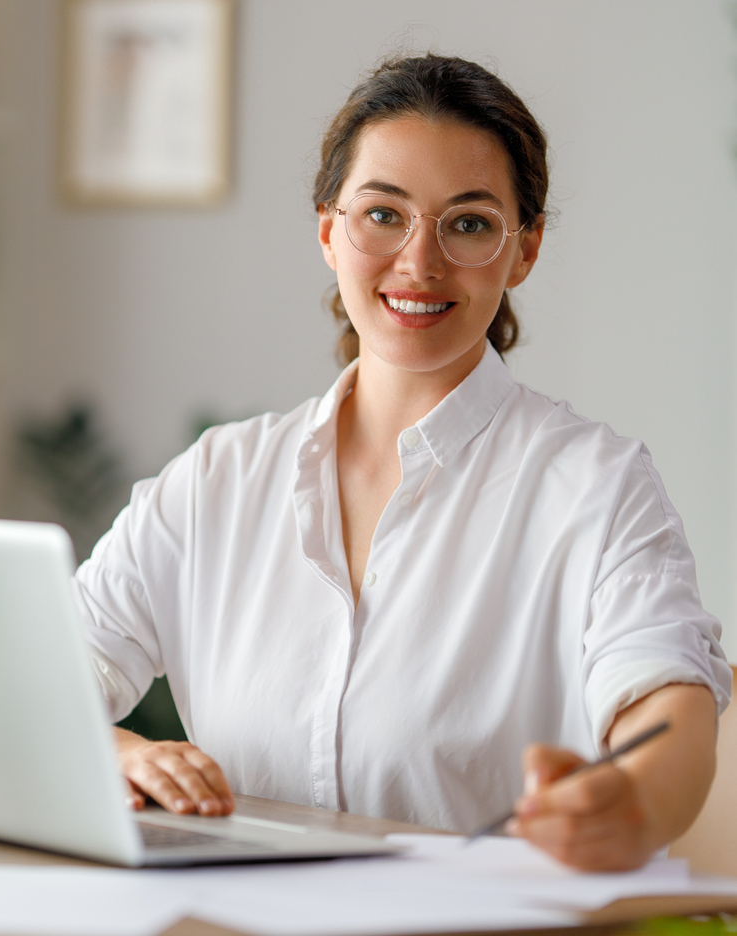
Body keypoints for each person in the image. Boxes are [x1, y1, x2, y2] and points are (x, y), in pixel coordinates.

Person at [72, 53, 731, 872]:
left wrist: (633, 802)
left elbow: (667, 701)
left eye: (469, 223)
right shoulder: (216, 480)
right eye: (383, 215)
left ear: (522, 252)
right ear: (328, 232)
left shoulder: (595, 485)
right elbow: (46, 679)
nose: (420, 264)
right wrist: (111, 754)